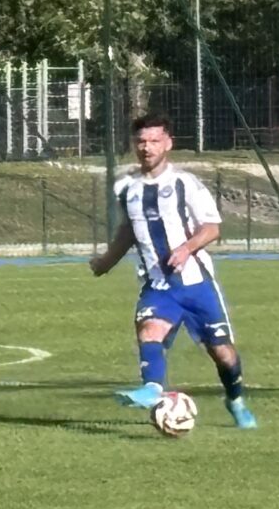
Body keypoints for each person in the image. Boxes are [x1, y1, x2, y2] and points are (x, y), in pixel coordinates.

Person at [91, 114, 258, 428]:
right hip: (157, 284)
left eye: (154, 141)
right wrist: (106, 262)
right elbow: (128, 230)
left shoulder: (185, 183)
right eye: (141, 141)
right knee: (149, 330)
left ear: (168, 143)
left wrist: (186, 248)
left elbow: (212, 228)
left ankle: (235, 399)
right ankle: (152, 389)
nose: (147, 147)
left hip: (196, 284)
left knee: (223, 354)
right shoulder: (126, 188)